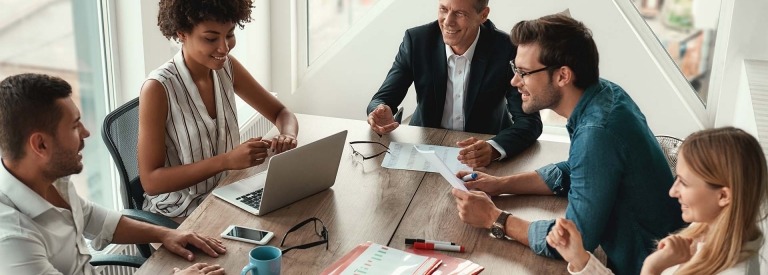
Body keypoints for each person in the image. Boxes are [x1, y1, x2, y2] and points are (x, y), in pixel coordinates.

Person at [451, 14, 684, 274]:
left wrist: (494, 218)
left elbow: (573, 241)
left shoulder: (597, 132)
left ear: (563, 75)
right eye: (515, 69)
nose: (514, 81)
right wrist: (500, 184)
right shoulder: (605, 94)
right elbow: (578, 168)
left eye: (524, 73)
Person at [0, 73, 227, 274]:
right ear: (40, 145)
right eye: (74, 126)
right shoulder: (13, 242)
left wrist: (164, 234)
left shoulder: (51, 179)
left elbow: (95, 219)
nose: (86, 133)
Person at [139, 0, 299, 218]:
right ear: (182, 34)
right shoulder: (158, 88)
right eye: (211, 38)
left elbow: (282, 113)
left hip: (227, 193)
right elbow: (151, 182)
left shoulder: (227, 66)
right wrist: (227, 160)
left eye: (230, 34)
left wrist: (287, 135)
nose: (224, 47)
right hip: (180, 213)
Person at [547, 127, 766, 275]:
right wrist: (580, 259)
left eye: (684, 182)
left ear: (724, 196)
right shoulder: (705, 237)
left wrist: (652, 268)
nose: (673, 191)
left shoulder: (732, 270)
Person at [366, 0, 542, 168]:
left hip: (483, 150)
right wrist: (379, 111)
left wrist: (494, 148)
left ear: (483, 15)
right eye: (443, 9)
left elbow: (529, 122)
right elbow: (382, 98)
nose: (448, 22)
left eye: (459, 13)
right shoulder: (417, 41)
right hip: (424, 146)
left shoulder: (506, 49)